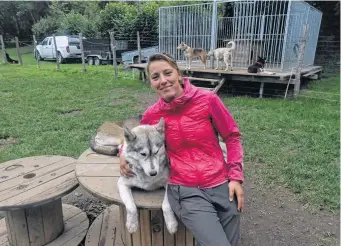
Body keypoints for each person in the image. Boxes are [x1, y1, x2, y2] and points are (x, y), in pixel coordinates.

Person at [120, 53, 244, 246]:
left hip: (220, 182)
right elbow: (136, 138)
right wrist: (122, 154)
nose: (163, 81)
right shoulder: (153, 115)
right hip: (185, 189)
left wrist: (235, 177)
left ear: (179, 73)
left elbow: (232, 137)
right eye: (155, 77)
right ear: (151, 83)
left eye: (167, 73)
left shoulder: (208, 100)